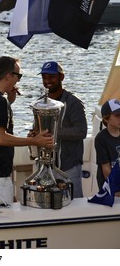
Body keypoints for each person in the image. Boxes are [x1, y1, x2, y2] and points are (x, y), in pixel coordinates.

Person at [0, 56, 54, 205]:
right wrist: (34, 140)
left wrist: (9, 101)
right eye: (18, 76)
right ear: (8, 75)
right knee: (2, 219)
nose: (18, 81)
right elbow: (0, 138)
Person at [38, 61, 87, 198]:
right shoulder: (41, 102)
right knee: (47, 205)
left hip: (69, 166)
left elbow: (81, 131)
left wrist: (53, 133)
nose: (47, 81)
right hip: (45, 166)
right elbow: (38, 128)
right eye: (44, 77)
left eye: (51, 77)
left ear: (61, 77)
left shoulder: (74, 102)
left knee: (74, 206)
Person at [94, 98, 120, 193]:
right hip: (109, 186)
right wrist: (115, 189)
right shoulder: (101, 138)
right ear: (106, 118)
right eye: (117, 115)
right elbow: (105, 168)